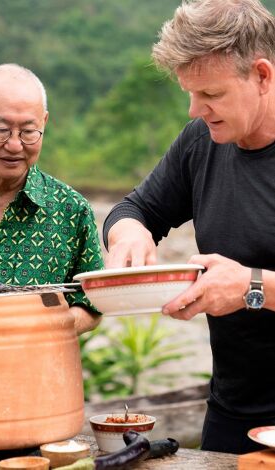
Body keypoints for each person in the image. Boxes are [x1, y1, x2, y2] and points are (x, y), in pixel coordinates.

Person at [103, 0, 275, 455]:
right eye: (189, 93)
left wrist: (253, 287)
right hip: (231, 413)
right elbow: (133, 209)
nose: (195, 110)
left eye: (212, 95)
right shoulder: (203, 140)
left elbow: (249, 286)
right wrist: (131, 233)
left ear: (262, 75)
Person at [0, 63, 103, 335]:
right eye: (0, 130)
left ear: (44, 124)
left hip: (34, 371)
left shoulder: (71, 210)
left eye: (28, 131)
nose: (15, 145)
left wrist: (46, 328)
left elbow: (91, 303)